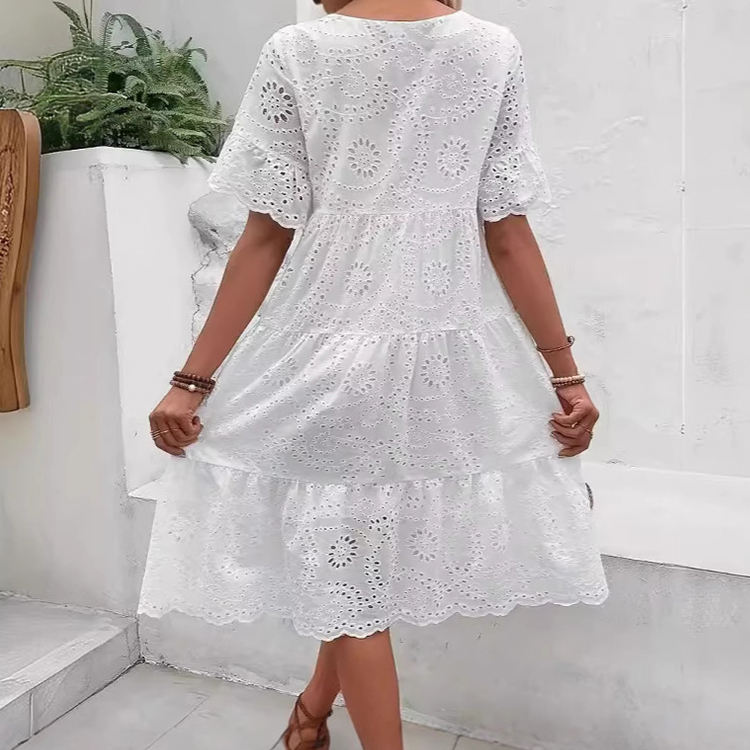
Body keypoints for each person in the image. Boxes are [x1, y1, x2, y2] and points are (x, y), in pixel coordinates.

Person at [139, 1, 609, 748]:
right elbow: (508, 231)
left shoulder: (299, 51)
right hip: (447, 369)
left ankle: (312, 719)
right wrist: (566, 377)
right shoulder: (493, 50)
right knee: (355, 574)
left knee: (350, 575)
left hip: (326, 358)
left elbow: (265, 236)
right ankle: (309, 718)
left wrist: (192, 381)